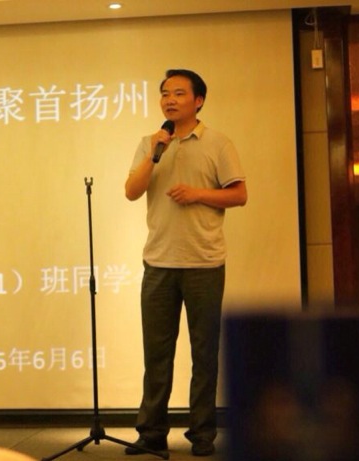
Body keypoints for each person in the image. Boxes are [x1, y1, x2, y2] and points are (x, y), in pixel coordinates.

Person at [124, 69, 247, 457]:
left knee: (204, 353)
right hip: (158, 262)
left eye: (179, 93)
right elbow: (131, 191)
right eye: (165, 93)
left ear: (199, 100)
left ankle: (202, 434)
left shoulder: (218, 143)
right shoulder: (150, 143)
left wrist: (198, 194)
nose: (169, 100)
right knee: (156, 353)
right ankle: (151, 433)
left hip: (204, 263)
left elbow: (239, 195)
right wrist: (154, 153)